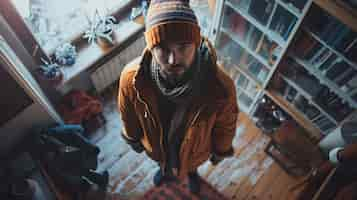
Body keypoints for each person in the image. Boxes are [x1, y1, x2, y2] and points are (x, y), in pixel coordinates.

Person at [117, 0, 239, 194]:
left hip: (195, 150)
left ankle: (192, 174)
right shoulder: (132, 79)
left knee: (190, 164)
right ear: (150, 47)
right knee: (163, 158)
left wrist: (220, 150)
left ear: (196, 43)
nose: (173, 60)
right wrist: (133, 137)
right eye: (163, 49)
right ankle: (163, 170)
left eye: (183, 47)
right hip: (158, 146)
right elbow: (128, 114)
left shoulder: (220, 86)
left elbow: (226, 125)